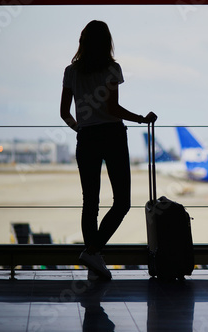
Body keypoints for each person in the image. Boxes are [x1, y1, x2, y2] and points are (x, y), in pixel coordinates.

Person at [60, 20, 157, 281]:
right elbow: (113, 109)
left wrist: (79, 128)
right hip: (112, 136)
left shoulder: (71, 71)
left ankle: (93, 256)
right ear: (107, 42)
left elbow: (64, 113)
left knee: (90, 202)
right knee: (122, 202)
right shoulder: (112, 69)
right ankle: (93, 251)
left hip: (87, 138)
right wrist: (140, 118)